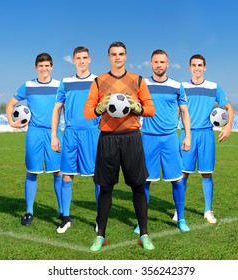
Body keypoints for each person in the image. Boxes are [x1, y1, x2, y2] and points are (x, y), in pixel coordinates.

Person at [84, 42, 156, 251]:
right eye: (114, 54)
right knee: (105, 188)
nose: (118, 57)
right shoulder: (99, 81)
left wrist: (138, 107)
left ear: (126, 57)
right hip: (107, 138)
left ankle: (144, 234)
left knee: (138, 186)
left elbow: (151, 109)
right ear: (109, 57)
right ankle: (101, 236)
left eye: (121, 54)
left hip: (132, 137)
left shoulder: (138, 80)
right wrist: (99, 108)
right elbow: (87, 112)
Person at [133, 49, 191, 235]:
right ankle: (141, 222)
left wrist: (187, 136)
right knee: (144, 182)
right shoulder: (142, 84)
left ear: (168, 64)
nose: (159, 65)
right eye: (156, 62)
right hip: (148, 137)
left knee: (177, 180)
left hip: (169, 138)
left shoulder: (177, 86)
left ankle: (181, 218)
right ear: (151, 64)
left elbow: (184, 112)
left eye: (162, 62)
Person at [6, 52, 62, 226]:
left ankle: (62, 212)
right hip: (34, 133)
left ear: (51, 67)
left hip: (54, 132)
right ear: (36, 68)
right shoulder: (27, 85)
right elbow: (10, 104)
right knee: (31, 171)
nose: (44, 69)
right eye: (41, 66)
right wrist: (11, 122)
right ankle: (29, 212)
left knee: (58, 172)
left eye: (47, 65)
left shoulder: (60, 86)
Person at [177, 54, 234, 224]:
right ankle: (179, 211)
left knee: (207, 173)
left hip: (206, 135)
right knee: (183, 174)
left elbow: (229, 108)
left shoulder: (214, 87)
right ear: (189, 68)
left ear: (205, 67)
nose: (197, 68)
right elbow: (176, 109)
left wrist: (228, 126)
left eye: (200, 65)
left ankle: (208, 211)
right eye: (194, 65)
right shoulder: (182, 87)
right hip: (188, 134)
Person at [51, 46, 100, 234]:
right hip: (70, 134)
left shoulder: (97, 81)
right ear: (73, 60)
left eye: (84, 57)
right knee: (66, 176)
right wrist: (54, 135)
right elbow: (56, 110)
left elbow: (104, 109)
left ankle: (99, 218)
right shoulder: (66, 82)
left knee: (98, 178)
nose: (81, 61)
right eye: (78, 58)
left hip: (92, 133)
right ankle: (66, 218)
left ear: (89, 59)